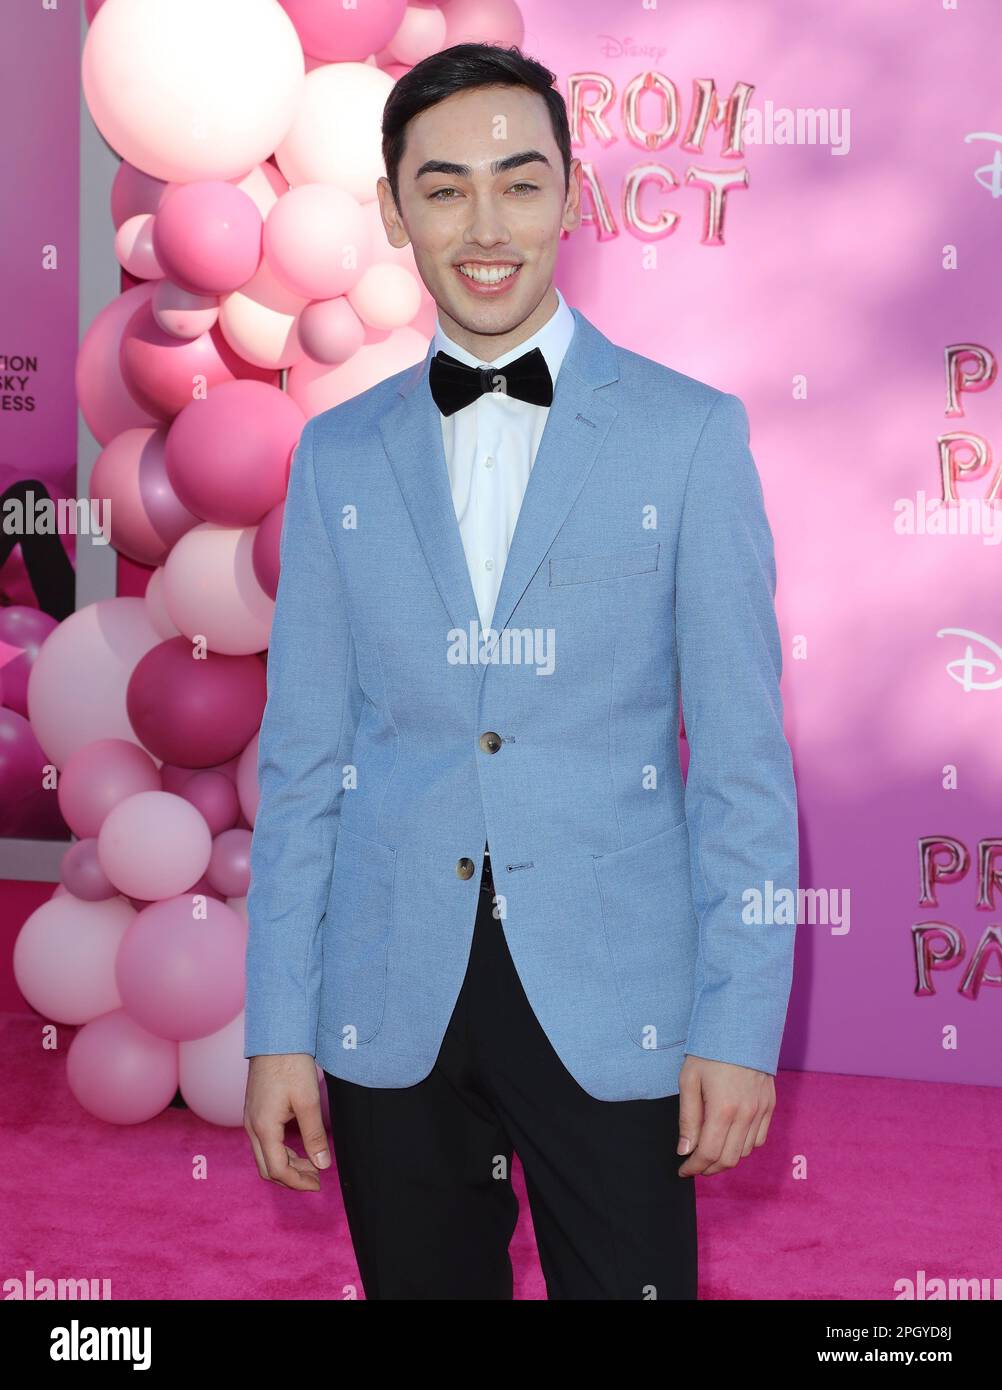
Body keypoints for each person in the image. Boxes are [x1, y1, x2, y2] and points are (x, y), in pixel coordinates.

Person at [243, 42, 799, 1301]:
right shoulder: (334, 456)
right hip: (394, 995)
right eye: (442, 188)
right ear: (393, 209)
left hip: (617, 994)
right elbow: (302, 765)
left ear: (570, 194)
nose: (484, 226)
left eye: (519, 181)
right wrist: (278, 1025)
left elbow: (746, 768)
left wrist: (736, 1024)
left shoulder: (691, 436)